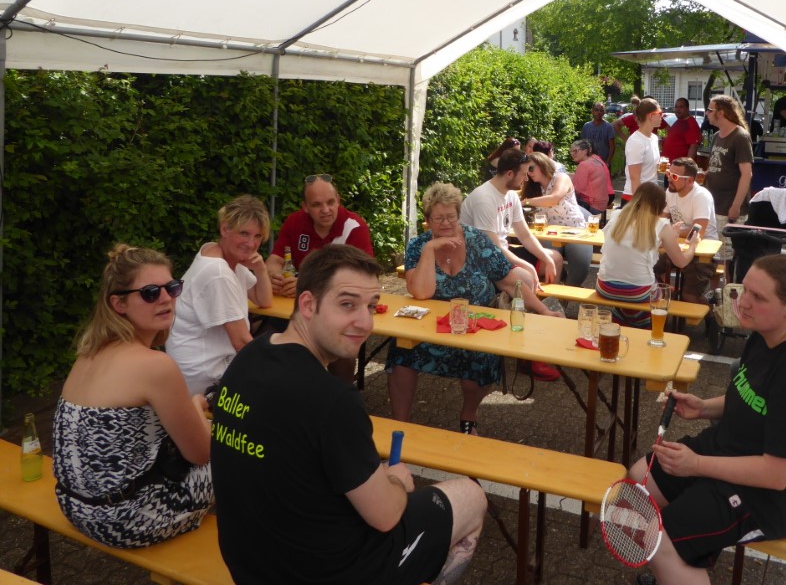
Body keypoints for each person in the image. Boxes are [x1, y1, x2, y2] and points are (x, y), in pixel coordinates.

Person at [211, 245, 487, 585]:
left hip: (248, 564)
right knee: (471, 495)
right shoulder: (333, 400)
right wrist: (395, 482)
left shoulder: (250, 355)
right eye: (347, 304)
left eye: (371, 306)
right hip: (328, 572)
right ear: (308, 304)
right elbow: (386, 516)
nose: (365, 322)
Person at [628, 255, 786, 584]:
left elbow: (776, 475)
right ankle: (683, 562)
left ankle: (677, 557)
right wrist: (704, 408)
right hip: (736, 448)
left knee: (660, 541)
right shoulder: (766, 332)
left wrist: (696, 465)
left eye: (758, 297)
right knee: (639, 479)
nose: (743, 302)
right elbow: (753, 399)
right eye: (744, 290)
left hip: (781, 496)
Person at [53, 245, 213, 548]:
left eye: (172, 288)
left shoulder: (88, 353)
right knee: (237, 446)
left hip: (75, 507)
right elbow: (201, 454)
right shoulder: (155, 366)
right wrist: (195, 407)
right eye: (150, 293)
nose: (166, 299)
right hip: (126, 520)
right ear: (119, 304)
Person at [388, 183, 562, 432]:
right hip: (431, 329)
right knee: (401, 351)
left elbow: (509, 281)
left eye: (451, 217)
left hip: (475, 328)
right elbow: (422, 292)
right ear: (428, 220)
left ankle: (469, 416)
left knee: (480, 360)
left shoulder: (477, 241)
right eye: (439, 218)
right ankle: (399, 426)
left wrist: (543, 311)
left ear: (459, 215)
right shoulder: (419, 245)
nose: (446, 223)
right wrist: (430, 249)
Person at [167, 195, 274, 396]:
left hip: (203, 367)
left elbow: (264, 300)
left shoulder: (223, 255)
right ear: (225, 229)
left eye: (258, 236)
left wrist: (260, 269)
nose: (251, 243)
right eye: (244, 233)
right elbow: (241, 342)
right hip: (203, 378)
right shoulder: (218, 272)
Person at [597, 182, 698, 328]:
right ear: (659, 205)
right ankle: (641, 325)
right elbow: (681, 262)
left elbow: (635, 243)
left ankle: (622, 319)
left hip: (605, 287)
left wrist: (668, 237)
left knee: (638, 286)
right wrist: (693, 245)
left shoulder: (617, 215)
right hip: (639, 292)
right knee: (659, 289)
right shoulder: (661, 224)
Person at [460, 148, 562, 289]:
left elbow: (525, 235)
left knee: (555, 258)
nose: (526, 179)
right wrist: (527, 266)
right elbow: (493, 248)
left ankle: (542, 302)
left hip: (502, 252)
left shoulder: (511, 195)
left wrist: (547, 259)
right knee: (526, 276)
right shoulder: (483, 199)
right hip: (482, 259)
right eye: (524, 174)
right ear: (509, 174)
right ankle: (524, 302)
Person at [266, 174, 374, 298]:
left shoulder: (355, 228)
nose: (325, 210)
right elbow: (275, 260)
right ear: (305, 207)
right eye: (317, 205)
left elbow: (367, 276)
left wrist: (307, 286)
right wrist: (277, 279)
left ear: (338, 200)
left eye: (330, 202)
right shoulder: (294, 222)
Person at [525, 152, 593, 286]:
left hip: (574, 229)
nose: (529, 173)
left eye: (531, 168)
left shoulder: (561, 178)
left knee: (579, 268)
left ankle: (567, 290)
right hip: (550, 231)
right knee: (546, 262)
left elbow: (554, 198)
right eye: (526, 170)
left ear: (541, 164)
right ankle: (554, 293)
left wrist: (526, 202)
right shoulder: (533, 187)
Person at [659, 157, 719, 303]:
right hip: (679, 247)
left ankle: (710, 313)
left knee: (690, 297)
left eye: (674, 176)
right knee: (648, 269)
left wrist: (670, 232)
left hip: (703, 254)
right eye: (668, 174)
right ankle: (671, 295)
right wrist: (667, 232)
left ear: (690, 181)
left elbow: (698, 232)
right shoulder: (670, 192)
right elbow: (660, 222)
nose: (669, 179)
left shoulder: (701, 196)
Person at [703, 95, 754, 264]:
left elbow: (746, 174)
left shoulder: (740, 136)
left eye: (710, 110)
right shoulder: (717, 136)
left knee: (726, 258)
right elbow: (718, 165)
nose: (706, 113)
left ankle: (726, 282)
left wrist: (736, 206)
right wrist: (705, 173)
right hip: (714, 204)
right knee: (713, 253)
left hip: (730, 207)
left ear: (721, 112)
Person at [622, 99, 665, 204]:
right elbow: (634, 178)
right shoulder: (636, 141)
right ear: (651, 116)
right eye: (660, 113)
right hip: (636, 198)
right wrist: (640, 204)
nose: (662, 116)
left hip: (651, 195)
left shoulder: (654, 138)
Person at [569, 138, 613, 214]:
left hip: (592, 206)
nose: (572, 154)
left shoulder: (584, 164)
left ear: (585, 151)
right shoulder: (595, 160)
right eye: (571, 151)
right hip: (602, 204)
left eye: (575, 151)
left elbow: (577, 189)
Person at [662, 98, 702, 163]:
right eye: (676, 107)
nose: (678, 109)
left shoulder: (690, 123)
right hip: (668, 164)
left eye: (681, 107)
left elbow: (694, 146)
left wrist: (687, 165)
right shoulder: (679, 121)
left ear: (687, 108)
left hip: (679, 166)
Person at [581, 101, 616, 165]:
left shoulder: (608, 127)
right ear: (592, 111)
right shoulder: (586, 126)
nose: (599, 112)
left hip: (604, 162)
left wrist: (608, 162)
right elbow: (582, 145)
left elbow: (612, 147)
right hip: (589, 162)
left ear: (604, 112)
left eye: (601, 110)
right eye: (596, 110)